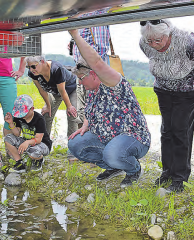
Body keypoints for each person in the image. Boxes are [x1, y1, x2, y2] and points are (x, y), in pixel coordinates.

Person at [67, 29, 151, 188]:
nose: (79, 83)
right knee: (75, 144)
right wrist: (86, 124)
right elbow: (91, 110)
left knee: (112, 153)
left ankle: (133, 169)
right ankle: (114, 167)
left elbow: (97, 62)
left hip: (133, 137)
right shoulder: (93, 90)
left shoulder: (113, 83)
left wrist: (76, 35)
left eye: (81, 78)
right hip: (108, 138)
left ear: (93, 74)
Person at [139, 19, 194, 193]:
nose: (154, 45)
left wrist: (186, 66)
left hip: (189, 88)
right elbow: (154, 56)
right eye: (150, 41)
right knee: (167, 130)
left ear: (168, 33)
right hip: (163, 88)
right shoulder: (144, 43)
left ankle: (180, 178)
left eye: (158, 40)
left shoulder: (186, 41)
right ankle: (167, 172)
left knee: (180, 129)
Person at [70, 9, 110, 127]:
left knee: (94, 112)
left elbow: (101, 49)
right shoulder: (82, 13)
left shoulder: (96, 13)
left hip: (90, 73)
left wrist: (91, 72)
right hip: (82, 72)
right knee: (82, 112)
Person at [25, 56, 78, 140]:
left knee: (72, 114)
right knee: (46, 113)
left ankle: (72, 146)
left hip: (71, 89)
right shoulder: (33, 73)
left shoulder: (56, 69)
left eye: (33, 66)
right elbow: (41, 90)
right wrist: (48, 105)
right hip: (55, 91)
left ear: (42, 61)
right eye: (28, 67)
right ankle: (44, 144)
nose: (31, 70)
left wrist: (69, 106)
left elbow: (62, 91)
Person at [4, 94, 52, 172]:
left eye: (24, 113)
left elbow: (38, 139)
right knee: (8, 138)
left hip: (42, 144)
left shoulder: (39, 119)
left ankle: (39, 160)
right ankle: (19, 163)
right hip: (28, 142)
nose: (22, 115)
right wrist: (11, 123)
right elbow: (17, 134)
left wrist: (27, 142)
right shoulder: (19, 117)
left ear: (32, 109)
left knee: (33, 151)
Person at [0, 57, 26, 166]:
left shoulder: (9, 38)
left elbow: (25, 46)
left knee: (11, 115)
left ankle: (10, 150)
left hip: (6, 77)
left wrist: (21, 70)